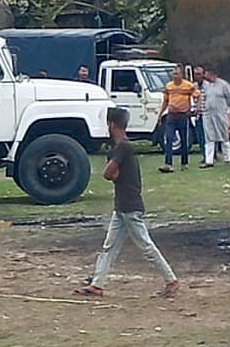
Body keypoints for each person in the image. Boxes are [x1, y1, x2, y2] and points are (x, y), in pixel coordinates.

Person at [73, 106, 180, 299]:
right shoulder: (123, 147)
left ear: (112, 125)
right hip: (122, 206)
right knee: (110, 246)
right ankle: (97, 284)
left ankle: (171, 280)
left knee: (145, 245)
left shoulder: (123, 147)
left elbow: (108, 173)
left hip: (129, 206)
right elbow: (114, 174)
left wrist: (111, 170)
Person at [158, 64, 200, 173]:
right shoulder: (169, 86)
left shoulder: (188, 86)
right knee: (169, 139)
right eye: (173, 74)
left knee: (184, 140)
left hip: (182, 116)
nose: (175, 76)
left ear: (181, 75)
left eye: (177, 73)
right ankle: (168, 164)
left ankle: (184, 163)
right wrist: (160, 115)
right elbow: (165, 101)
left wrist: (196, 108)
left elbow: (197, 95)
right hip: (171, 116)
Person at [200, 67, 230, 166]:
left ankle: (227, 158)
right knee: (209, 137)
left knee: (224, 136)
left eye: (207, 74)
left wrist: (223, 108)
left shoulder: (224, 85)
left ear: (213, 74)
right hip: (208, 115)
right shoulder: (206, 86)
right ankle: (209, 161)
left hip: (220, 114)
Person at [191, 64, 207, 158]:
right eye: (196, 74)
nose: (198, 76)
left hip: (207, 114)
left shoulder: (208, 86)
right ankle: (204, 155)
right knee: (200, 136)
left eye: (199, 74)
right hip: (197, 115)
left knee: (207, 137)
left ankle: (209, 156)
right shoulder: (193, 86)